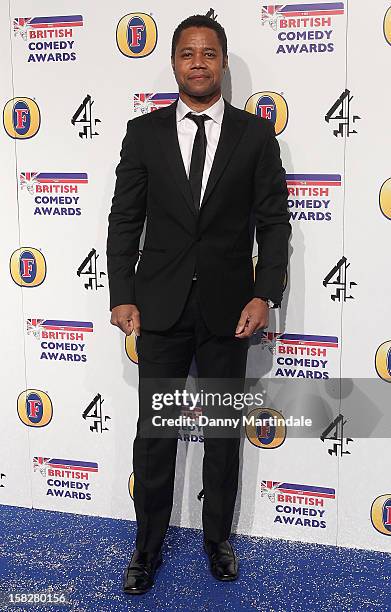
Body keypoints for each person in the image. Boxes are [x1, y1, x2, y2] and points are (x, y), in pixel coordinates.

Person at [106, 14, 291, 595]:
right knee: (155, 435)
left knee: (220, 433)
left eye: (209, 54)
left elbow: (274, 225)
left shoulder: (255, 136)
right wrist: (122, 295)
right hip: (158, 309)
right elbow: (124, 220)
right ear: (174, 63)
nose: (198, 63)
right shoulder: (144, 134)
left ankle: (218, 542)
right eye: (188, 53)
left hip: (227, 311)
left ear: (223, 63)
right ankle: (147, 549)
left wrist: (266, 294)